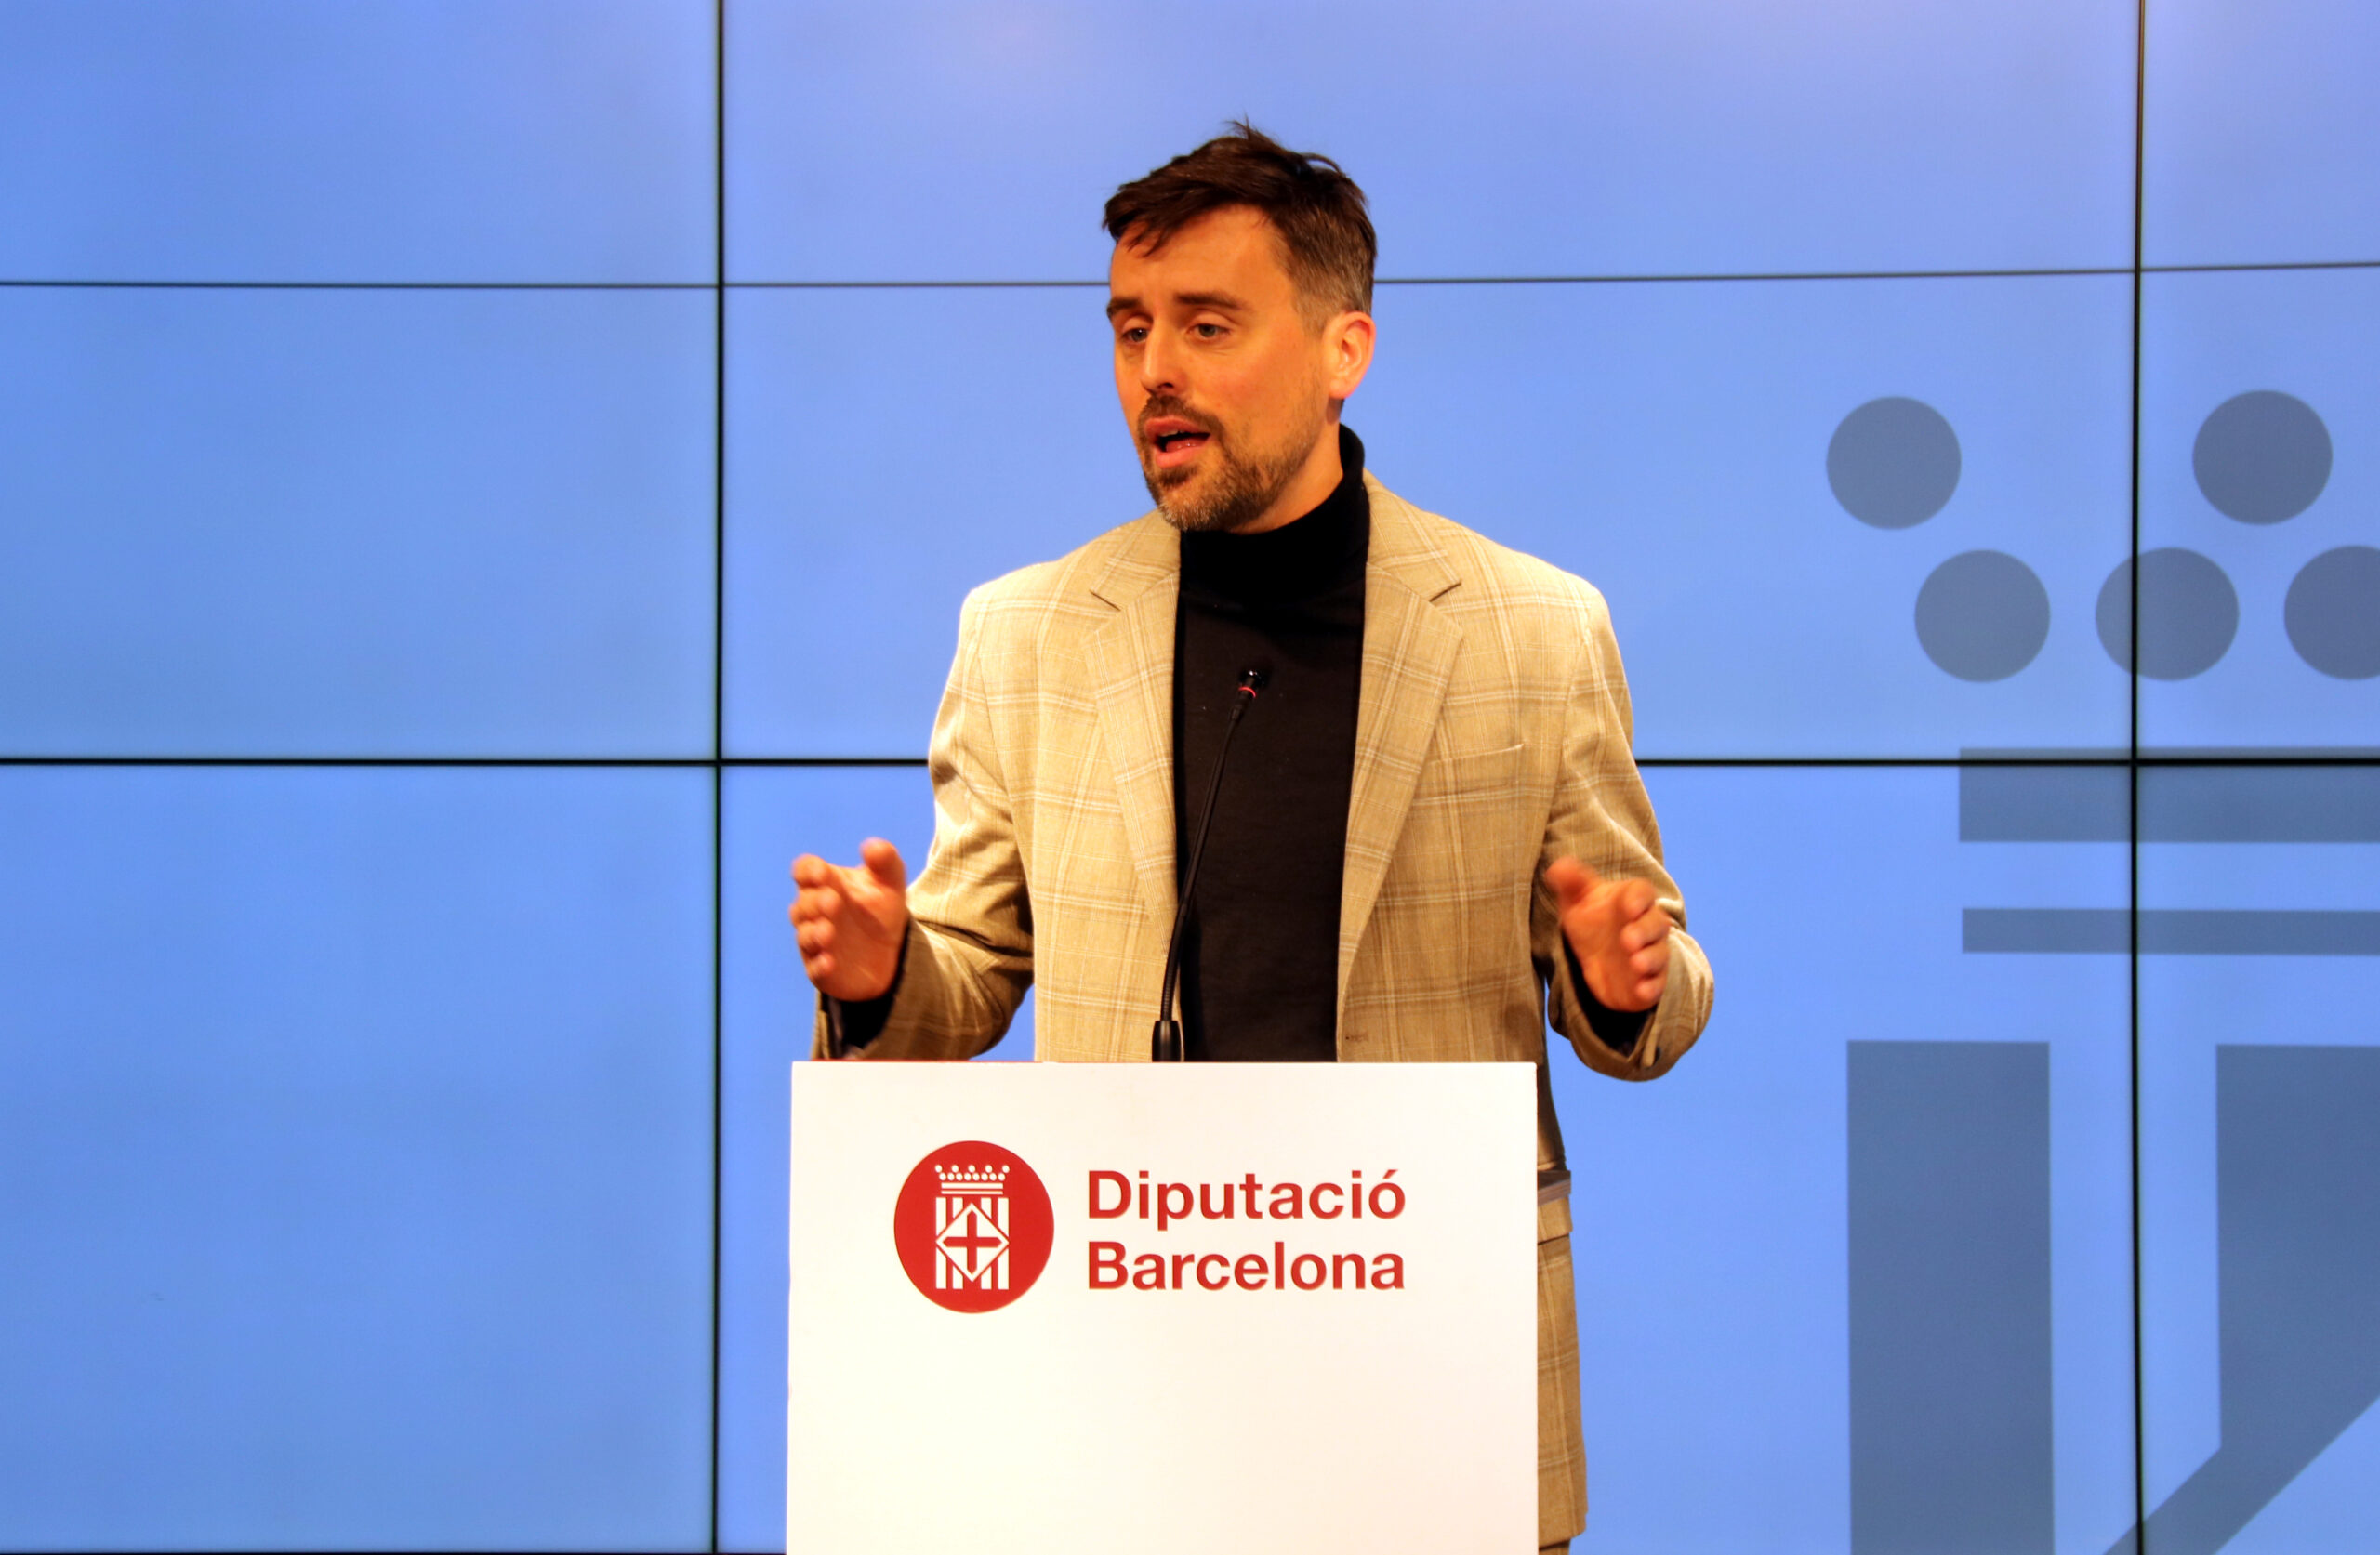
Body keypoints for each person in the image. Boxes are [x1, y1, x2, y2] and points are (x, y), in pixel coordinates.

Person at [789, 122, 1712, 1553]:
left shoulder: (1533, 628)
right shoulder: (1026, 633)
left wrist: (1624, 975)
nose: (1154, 371)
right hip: (1125, 1368)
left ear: (1345, 350)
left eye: (1207, 326)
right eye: (1130, 329)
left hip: (1432, 1368)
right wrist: (880, 975)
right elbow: (965, 975)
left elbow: (1658, 992)